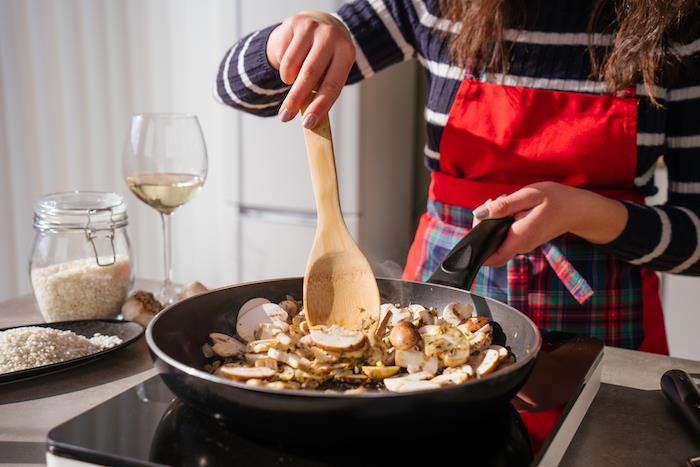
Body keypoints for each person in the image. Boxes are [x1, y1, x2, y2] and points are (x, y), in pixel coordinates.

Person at [215, 0, 700, 355]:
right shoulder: (437, 7)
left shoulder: (679, 26)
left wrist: (588, 213)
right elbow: (238, 89)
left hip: (604, 343)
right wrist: (298, 37)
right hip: (429, 330)